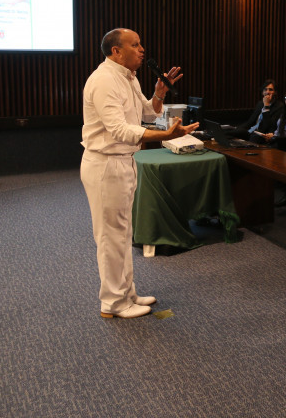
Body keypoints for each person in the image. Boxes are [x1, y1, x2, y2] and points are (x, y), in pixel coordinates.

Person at [81, 28, 199, 319]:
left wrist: (158, 94)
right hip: (106, 164)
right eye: (135, 45)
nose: (142, 49)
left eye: (141, 44)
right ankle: (113, 303)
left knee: (123, 232)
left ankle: (127, 293)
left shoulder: (128, 77)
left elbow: (147, 113)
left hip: (123, 161)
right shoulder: (104, 81)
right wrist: (164, 135)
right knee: (110, 236)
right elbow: (119, 130)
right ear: (116, 51)